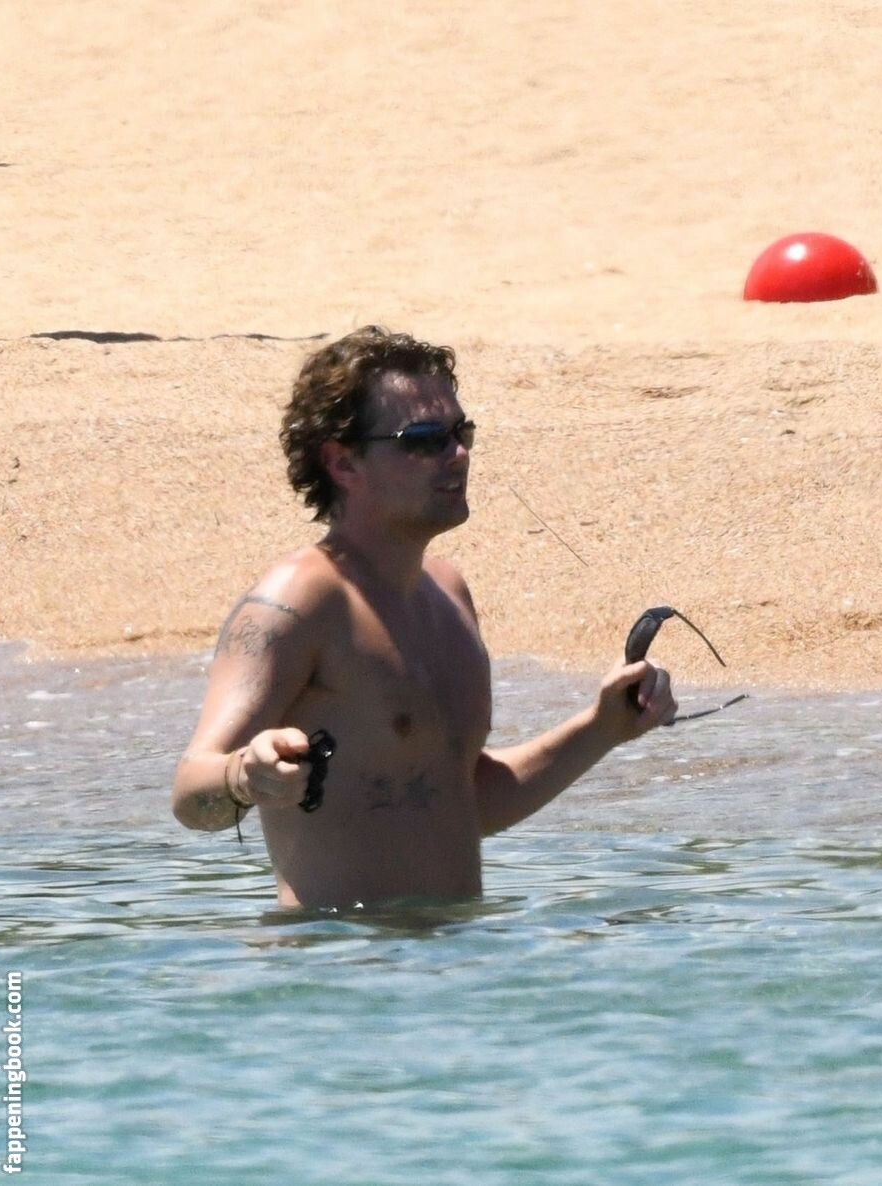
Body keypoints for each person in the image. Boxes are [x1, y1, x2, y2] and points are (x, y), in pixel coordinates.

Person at [171, 327, 676, 909]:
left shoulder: (447, 593)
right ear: (343, 462)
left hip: (458, 956)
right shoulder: (298, 601)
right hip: (338, 954)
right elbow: (189, 795)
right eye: (425, 440)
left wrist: (602, 728)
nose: (457, 454)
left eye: (461, 433)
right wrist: (243, 777)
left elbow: (456, 801)